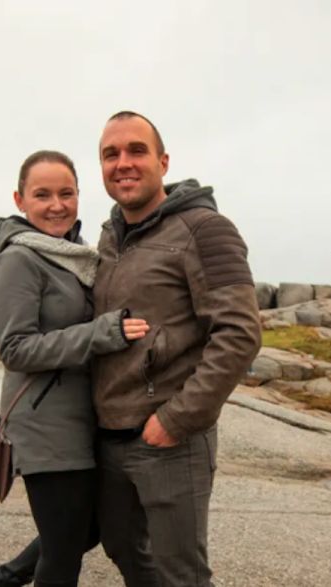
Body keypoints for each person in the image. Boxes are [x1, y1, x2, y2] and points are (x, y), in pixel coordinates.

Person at [91, 111, 261, 586]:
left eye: (136, 151)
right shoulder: (108, 238)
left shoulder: (205, 229)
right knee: (125, 552)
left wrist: (177, 419)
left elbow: (240, 332)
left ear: (163, 162)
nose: (123, 163)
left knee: (180, 575)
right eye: (111, 154)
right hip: (108, 437)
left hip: (169, 440)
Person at [0, 150, 149, 587]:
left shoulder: (72, 256)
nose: (57, 205)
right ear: (20, 199)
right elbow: (14, 348)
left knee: (86, 529)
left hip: (83, 419)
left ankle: (4, 578)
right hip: (45, 424)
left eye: (66, 193)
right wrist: (102, 333)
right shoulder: (18, 260)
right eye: (42, 194)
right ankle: (7, 577)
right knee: (63, 553)